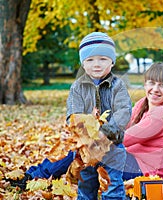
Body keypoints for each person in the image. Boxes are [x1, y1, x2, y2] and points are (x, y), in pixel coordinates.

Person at [9, 32, 132, 200]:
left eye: (103, 59)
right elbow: (73, 115)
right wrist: (85, 132)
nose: (97, 64)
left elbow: (124, 111)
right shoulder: (77, 87)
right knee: (86, 186)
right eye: (90, 60)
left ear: (112, 61)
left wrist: (106, 131)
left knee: (112, 187)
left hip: (112, 146)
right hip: (85, 149)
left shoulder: (118, 86)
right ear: (83, 63)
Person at [122, 62, 163, 181]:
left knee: (99, 152)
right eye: (151, 83)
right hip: (134, 162)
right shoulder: (142, 104)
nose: (155, 89)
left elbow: (125, 138)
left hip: (149, 174)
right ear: (145, 85)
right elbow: (121, 124)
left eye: (162, 85)